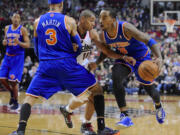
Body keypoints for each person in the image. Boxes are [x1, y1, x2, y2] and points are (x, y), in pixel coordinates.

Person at [9, 1, 120, 135]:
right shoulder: (69, 21)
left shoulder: (37, 22)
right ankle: (101, 128)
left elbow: (36, 50)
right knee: (97, 90)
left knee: (30, 98)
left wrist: (45, 60)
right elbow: (78, 47)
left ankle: (20, 131)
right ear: (61, 4)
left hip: (46, 65)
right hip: (67, 64)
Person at [59, 9, 136, 135]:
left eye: (94, 21)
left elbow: (106, 51)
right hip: (68, 69)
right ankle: (94, 127)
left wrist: (122, 57)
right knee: (95, 92)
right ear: (82, 20)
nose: (94, 24)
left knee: (94, 95)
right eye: (91, 21)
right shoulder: (69, 32)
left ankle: (77, 117)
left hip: (82, 69)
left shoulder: (92, 33)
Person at [88, 8, 166, 127]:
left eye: (104, 17)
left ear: (113, 20)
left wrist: (159, 57)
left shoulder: (126, 28)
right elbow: (106, 52)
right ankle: (125, 115)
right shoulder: (103, 35)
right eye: (99, 18)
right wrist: (97, 62)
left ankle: (158, 105)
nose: (100, 20)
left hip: (141, 58)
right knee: (116, 76)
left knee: (150, 90)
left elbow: (148, 39)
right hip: (125, 57)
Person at [0, 13, 30, 110]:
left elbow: (28, 45)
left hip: (17, 58)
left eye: (18, 18)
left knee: (13, 81)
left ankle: (16, 102)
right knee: (2, 78)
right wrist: (4, 42)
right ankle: (12, 93)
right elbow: (5, 40)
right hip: (8, 57)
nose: (16, 19)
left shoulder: (22, 30)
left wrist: (19, 42)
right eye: (14, 17)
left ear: (20, 20)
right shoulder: (6, 28)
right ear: (11, 19)